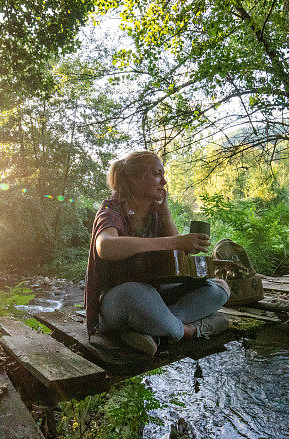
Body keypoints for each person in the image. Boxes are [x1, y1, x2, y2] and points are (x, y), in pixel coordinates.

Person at [84, 150, 231, 355]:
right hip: (117, 302)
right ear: (135, 180)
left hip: (154, 295)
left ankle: (148, 330)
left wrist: (165, 213)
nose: (164, 181)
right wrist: (173, 241)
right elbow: (105, 247)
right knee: (135, 292)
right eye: (156, 174)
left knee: (219, 288)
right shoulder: (112, 210)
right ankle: (190, 330)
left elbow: (179, 253)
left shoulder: (154, 213)